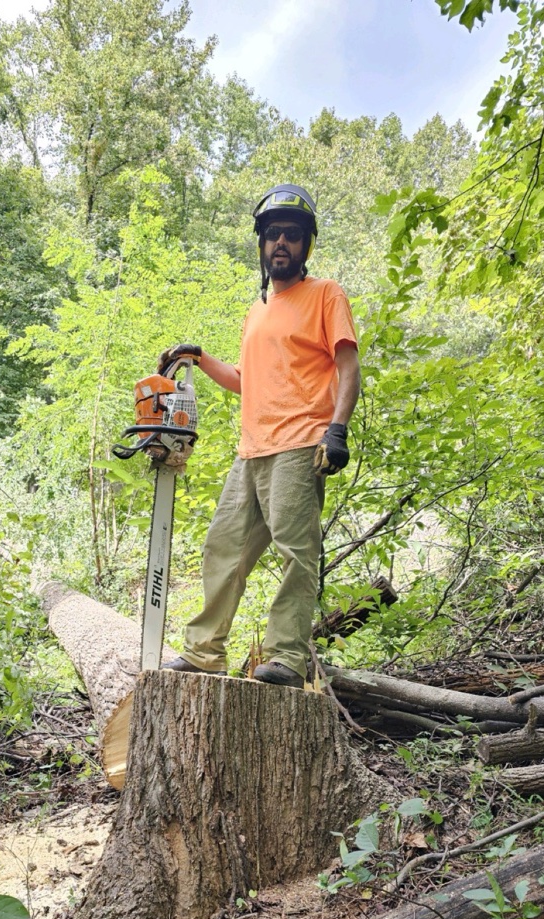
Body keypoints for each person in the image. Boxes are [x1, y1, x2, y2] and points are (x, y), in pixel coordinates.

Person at [159, 184, 360, 688]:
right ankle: (204, 652)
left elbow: (348, 367)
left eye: (291, 234)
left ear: (306, 243)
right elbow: (247, 381)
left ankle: (286, 657)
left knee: (297, 552)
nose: (281, 243)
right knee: (222, 548)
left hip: (300, 443)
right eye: (273, 235)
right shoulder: (258, 309)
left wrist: (336, 430)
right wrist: (198, 357)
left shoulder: (326, 294)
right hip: (250, 450)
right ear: (262, 243)